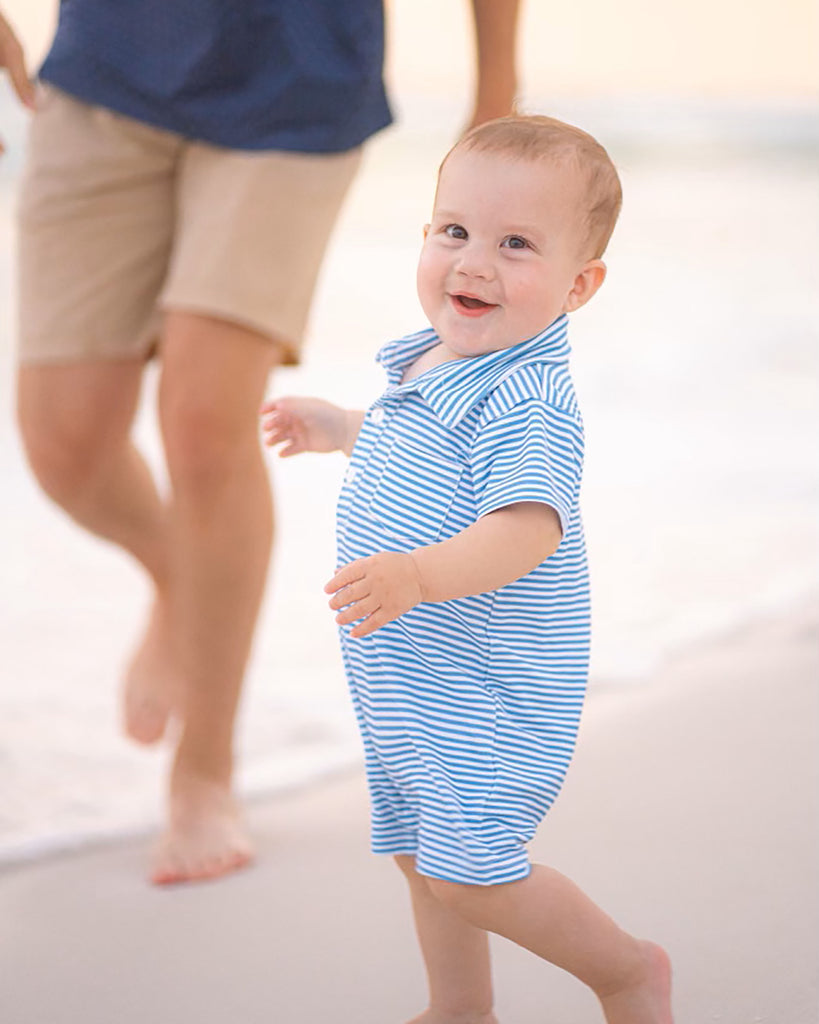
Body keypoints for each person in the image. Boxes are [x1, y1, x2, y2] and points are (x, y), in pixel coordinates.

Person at [0, 2, 520, 885]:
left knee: (204, 422)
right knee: (64, 443)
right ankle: (179, 574)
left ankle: (204, 769)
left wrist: (495, 92)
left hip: (296, 89)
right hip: (103, 71)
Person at [261, 115, 674, 1023]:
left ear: (579, 285)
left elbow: (525, 528)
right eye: (453, 230)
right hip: (409, 675)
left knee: (473, 871)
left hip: (487, 685)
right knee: (420, 851)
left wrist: (414, 577)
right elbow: (423, 461)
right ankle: (461, 1008)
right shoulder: (442, 363)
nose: (472, 262)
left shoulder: (527, 396)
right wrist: (342, 429)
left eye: (514, 244)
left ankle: (625, 972)